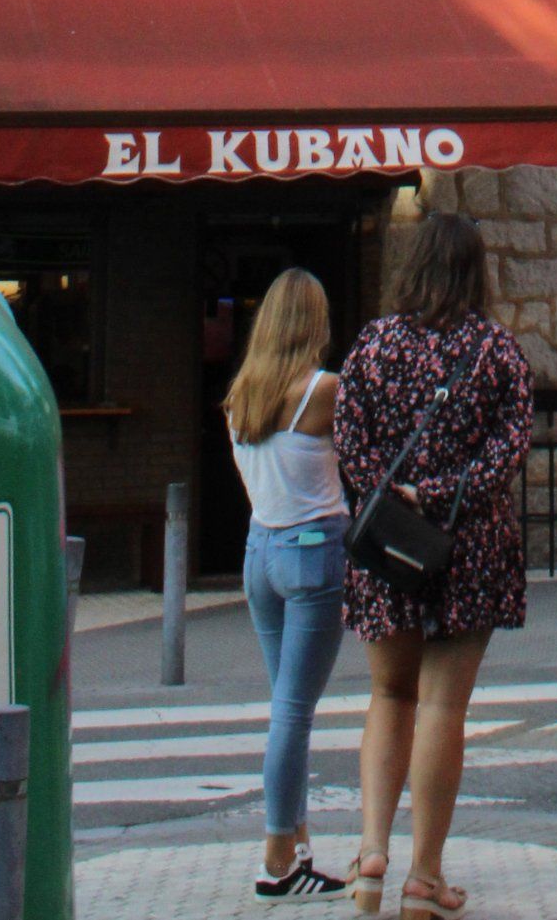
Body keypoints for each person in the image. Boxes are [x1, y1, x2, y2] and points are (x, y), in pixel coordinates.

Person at [334, 213, 535, 920]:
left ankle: (369, 856)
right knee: (444, 706)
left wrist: (392, 494)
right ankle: (423, 874)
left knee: (390, 695)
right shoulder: (495, 352)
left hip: (388, 544)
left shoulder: (371, 346)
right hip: (467, 548)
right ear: (476, 270)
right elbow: (510, 448)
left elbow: (349, 440)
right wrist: (442, 492)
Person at [226, 268, 351, 900]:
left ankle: (297, 843)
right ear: (314, 324)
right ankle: (276, 852)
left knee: (287, 708)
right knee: (294, 712)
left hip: (260, 554)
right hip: (312, 552)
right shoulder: (323, 391)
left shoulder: (241, 395)